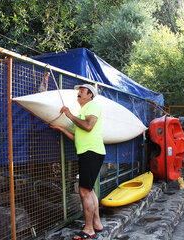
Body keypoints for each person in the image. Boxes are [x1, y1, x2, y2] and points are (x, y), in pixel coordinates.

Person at [50, 84, 105, 240]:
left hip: (91, 153)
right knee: (90, 190)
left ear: (90, 95)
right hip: (89, 153)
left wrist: (69, 114)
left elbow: (88, 126)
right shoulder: (83, 111)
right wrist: (61, 129)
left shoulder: (92, 105)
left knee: (84, 191)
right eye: (79, 91)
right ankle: (97, 224)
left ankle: (89, 230)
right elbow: (78, 138)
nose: (78, 93)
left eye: (82, 91)